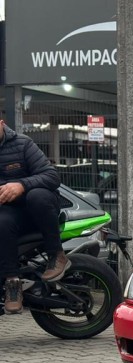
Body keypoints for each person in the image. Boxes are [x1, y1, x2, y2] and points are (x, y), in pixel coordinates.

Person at [0, 119, 66, 315]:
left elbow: (51, 176)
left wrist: (21, 185)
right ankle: (12, 283)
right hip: (10, 214)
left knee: (37, 195)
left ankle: (56, 255)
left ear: (1, 123)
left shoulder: (23, 143)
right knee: (2, 221)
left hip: (39, 209)